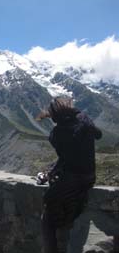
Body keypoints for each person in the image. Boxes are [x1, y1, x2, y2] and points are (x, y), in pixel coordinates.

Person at [36, 97, 102, 253]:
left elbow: (65, 159)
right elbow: (98, 135)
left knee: (48, 214)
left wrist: (49, 174)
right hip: (89, 176)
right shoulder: (83, 119)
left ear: (53, 116)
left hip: (73, 179)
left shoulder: (56, 134)